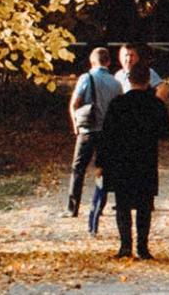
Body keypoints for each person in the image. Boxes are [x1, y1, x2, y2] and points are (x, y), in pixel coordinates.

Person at [95, 51, 169, 260]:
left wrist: (100, 163)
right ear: (148, 81)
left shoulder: (118, 104)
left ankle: (125, 246)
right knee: (144, 206)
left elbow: (107, 135)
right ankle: (143, 247)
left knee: (123, 205)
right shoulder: (155, 105)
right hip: (146, 159)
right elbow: (166, 132)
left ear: (129, 79)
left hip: (121, 160)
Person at [68, 47, 123, 221]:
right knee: (103, 170)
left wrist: (76, 124)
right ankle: (100, 206)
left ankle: (73, 208)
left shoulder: (86, 78)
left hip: (88, 130)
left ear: (92, 62)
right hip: (108, 133)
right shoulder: (116, 83)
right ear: (108, 62)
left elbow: (75, 103)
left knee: (78, 168)